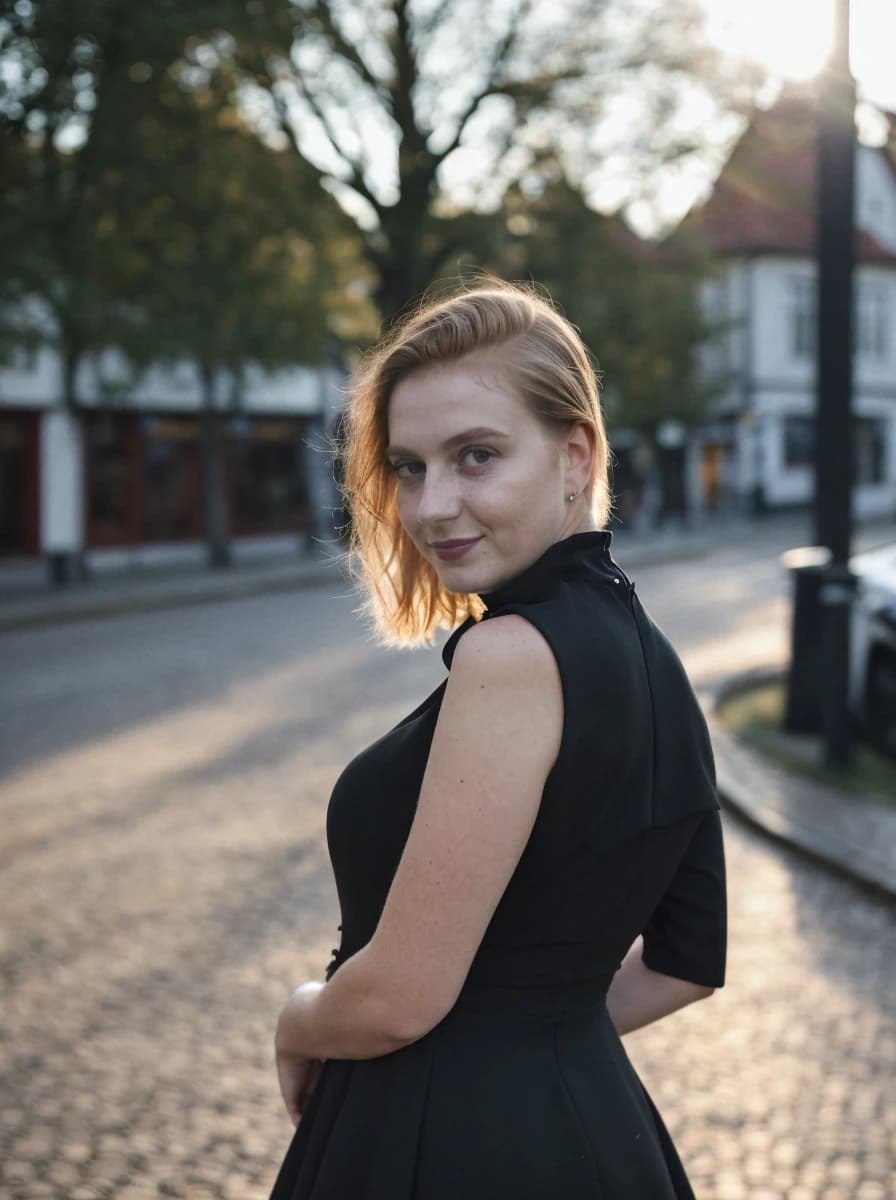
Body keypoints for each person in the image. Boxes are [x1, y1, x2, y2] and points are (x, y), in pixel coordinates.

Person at [268, 280, 727, 1199]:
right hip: (597, 1136)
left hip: (443, 1149)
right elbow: (687, 962)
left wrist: (298, 1020)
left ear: (574, 455)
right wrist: (535, 1033)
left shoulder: (509, 658)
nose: (433, 505)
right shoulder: (654, 658)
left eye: (475, 456)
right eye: (407, 466)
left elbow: (400, 997)